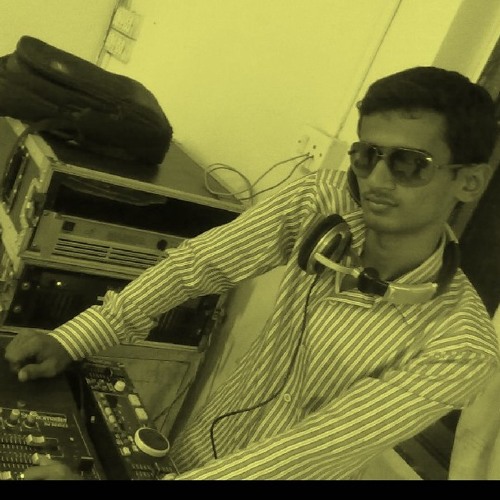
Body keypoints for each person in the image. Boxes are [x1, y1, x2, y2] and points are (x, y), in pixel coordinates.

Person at [5, 66, 499, 480]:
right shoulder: (322, 201)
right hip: (192, 456)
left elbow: (310, 452)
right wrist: (75, 337)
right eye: (367, 156)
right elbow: (196, 266)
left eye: (410, 164)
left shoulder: (461, 347)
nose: (376, 180)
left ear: (470, 181)